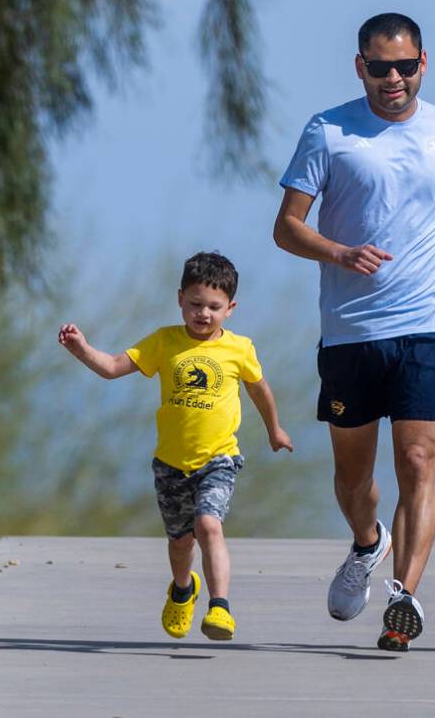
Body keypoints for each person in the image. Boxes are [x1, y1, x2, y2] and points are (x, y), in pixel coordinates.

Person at [272, 12, 435, 652]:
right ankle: (368, 540)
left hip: (428, 326)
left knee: (418, 460)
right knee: (352, 479)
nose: (394, 78)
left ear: (423, 64)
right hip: (351, 332)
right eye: (380, 67)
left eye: (406, 66)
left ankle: (403, 599)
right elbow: (286, 227)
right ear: (359, 66)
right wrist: (337, 253)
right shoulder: (328, 131)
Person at [57, 251, 293, 641]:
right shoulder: (164, 342)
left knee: (208, 526)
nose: (203, 313)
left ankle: (220, 608)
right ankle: (183, 589)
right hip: (170, 464)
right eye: (195, 304)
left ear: (230, 308)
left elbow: (259, 389)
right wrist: (81, 348)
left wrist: (275, 429)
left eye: (214, 307)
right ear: (180, 299)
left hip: (219, 459)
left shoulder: (239, 349)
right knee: (180, 543)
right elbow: (114, 367)